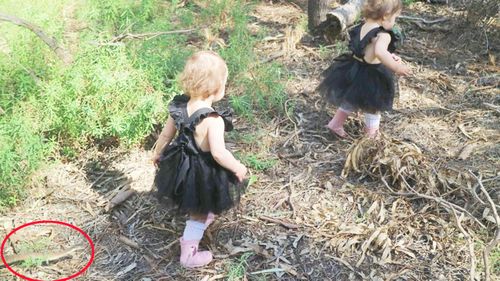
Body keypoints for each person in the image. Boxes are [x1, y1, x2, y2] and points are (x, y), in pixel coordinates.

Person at [152, 51, 248, 268]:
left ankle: (199, 219)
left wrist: (158, 153)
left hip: (179, 164)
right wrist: (238, 167)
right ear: (216, 88)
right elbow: (218, 153)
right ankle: (189, 254)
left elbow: (166, 135)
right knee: (199, 210)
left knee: (195, 201)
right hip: (201, 172)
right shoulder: (213, 120)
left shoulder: (179, 107)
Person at [318, 0, 411, 138]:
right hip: (371, 74)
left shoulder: (366, 25)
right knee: (373, 107)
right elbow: (380, 52)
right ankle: (371, 135)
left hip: (355, 67)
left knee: (350, 98)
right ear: (385, 15)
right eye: (395, 18)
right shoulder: (383, 34)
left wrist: (390, 56)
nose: (394, 22)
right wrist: (396, 66)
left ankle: (335, 124)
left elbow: (369, 48)